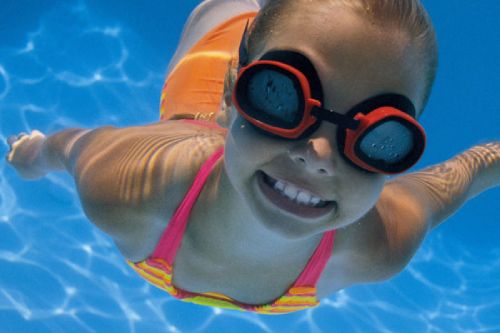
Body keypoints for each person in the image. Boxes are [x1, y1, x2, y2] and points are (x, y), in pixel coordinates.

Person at [5, 0, 499, 314]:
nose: (321, 156)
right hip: (208, 62)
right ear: (232, 90)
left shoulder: (378, 245)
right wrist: (36, 154)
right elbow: (71, 146)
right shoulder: (128, 186)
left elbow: (472, 169)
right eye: (279, 96)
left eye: (378, 137)